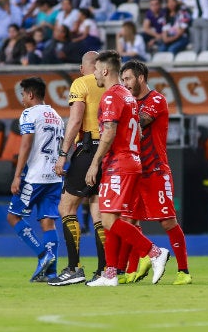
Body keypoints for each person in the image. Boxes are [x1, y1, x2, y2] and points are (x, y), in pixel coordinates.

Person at [84, 50, 170, 287]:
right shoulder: (128, 96)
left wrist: (95, 163)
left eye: (95, 69)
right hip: (132, 161)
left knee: (108, 220)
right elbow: (139, 130)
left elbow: (109, 131)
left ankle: (154, 252)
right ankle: (110, 273)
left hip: (118, 164)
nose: (94, 74)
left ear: (104, 70)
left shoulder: (111, 97)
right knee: (117, 218)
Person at [119, 60, 192, 285]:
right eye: (122, 80)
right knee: (128, 220)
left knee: (167, 222)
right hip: (135, 172)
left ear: (141, 78)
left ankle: (183, 271)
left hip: (155, 171)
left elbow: (141, 121)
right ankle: (135, 267)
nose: (125, 84)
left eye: (128, 79)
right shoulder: (129, 101)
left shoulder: (156, 100)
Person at [48, 51, 108, 286]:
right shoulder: (113, 85)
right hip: (107, 151)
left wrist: (63, 155)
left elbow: (74, 121)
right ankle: (104, 270)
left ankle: (74, 268)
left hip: (88, 148)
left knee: (66, 206)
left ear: (84, 68)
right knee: (98, 211)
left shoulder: (81, 82)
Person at [7, 77, 64, 282]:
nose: (22, 99)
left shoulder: (29, 113)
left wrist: (17, 176)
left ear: (30, 94)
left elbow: (26, 145)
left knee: (13, 217)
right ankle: (51, 273)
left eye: (23, 94)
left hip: (35, 177)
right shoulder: (56, 115)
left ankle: (43, 255)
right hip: (55, 177)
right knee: (48, 223)